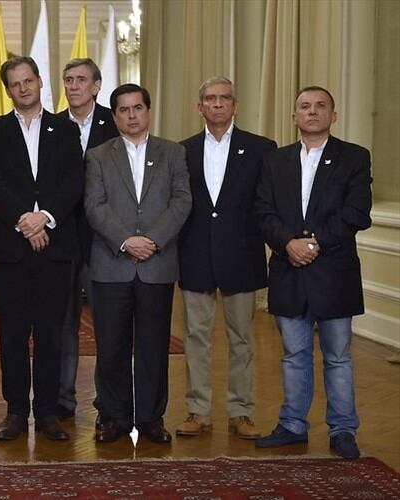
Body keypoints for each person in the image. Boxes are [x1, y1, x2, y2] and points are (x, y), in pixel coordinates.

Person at [255, 86, 372, 459]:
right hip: (289, 271)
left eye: (321, 106)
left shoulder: (354, 157)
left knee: (338, 356)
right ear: (294, 117)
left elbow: (357, 212)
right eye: (304, 106)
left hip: (333, 271)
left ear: (333, 116)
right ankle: (292, 425)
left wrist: (315, 242)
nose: (312, 111)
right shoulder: (275, 161)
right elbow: (263, 211)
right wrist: (288, 244)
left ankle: (342, 430)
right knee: (294, 355)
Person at [0, 56, 84, 442]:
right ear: (8, 90)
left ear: (40, 82)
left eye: (28, 81)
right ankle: (16, 412)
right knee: (12, 333)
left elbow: (74, 181)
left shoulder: (65, 129)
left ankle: (48, 413)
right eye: (15, 84)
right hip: (10, 246)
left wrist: (46, 218)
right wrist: (25, 220)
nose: (23, 89)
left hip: (55, 245)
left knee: (52, 333)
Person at [84, 83, 191, 444]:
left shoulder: (173, 153)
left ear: (148, 111)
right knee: (111, 345)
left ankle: (149, 418)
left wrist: (153, 241)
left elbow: (181, 202)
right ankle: (112, 416)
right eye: (124, 110)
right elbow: (94, 206)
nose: (132, 115)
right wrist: (126, 241)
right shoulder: (98, 156)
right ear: (114, 116)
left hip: (156, 265)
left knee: (153, 345)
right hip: (111, 264)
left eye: (138, 108)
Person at [175, 77, 276, 439]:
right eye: (209, 99)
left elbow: (266, 203)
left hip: (242, 255)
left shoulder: (263, 148)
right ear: (199, 107)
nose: (216, 104)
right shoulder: (181, 151)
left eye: (224, 98)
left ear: (235, 105)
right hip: (195, 255)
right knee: (195, 337)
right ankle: (198, 410)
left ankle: (241, 411)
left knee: (242, 339)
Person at [54, 58, 119, 420]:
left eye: (81, 80)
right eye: (68, 80)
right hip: (62, 241)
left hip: (104, 242)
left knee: (108, 325)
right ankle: (63, 401)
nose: (74, 86)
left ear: (96, 86)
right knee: (62, 325)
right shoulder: (51, 126)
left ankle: (108, 403)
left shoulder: (116, 122)